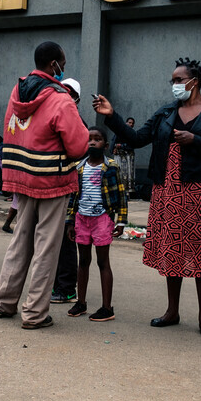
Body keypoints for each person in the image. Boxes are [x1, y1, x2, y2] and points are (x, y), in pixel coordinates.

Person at [94, 57, 201, 337]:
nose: (174, 85)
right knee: (173, 251)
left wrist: (198, 141)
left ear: (194, 82)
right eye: (172, 80)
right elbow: (136, 138)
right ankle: (172, 310)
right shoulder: (166, 112)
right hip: (167, 191)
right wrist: (111, 116)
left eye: (178, 80)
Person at [0, 42, 89, 329]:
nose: (65, 67)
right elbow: (78, 144)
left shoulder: (17, 90)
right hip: (52, 179)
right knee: (46, 248)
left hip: (21, 176)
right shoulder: (60, 98)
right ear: (54, 64)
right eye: (64, 62)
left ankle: (2, 303)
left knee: (20, 241)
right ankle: (34, 313)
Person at [65, 127, 127, 322]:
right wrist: (70, 221)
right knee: (83, 261)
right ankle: (81, 302)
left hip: (102, 219)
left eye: (97, 139)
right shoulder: (79, 167)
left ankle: (107, 307)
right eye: (89, 139)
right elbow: (73, 196)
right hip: (82, 220)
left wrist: (121, 220)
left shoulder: (111, 167)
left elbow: (122, 194)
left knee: (102, 262)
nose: (92, 143)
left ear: (105, 145)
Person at [52, 77, 87, 304]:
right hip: (54, 189)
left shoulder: (77, 124)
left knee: (65, 241)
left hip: (70, 192)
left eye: (69, 92)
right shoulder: (55, 119)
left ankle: (67, 288)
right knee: (52, 242)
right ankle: (56, 285)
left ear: (77, 99)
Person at [112, 117, 136, 199]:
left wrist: (121, 146)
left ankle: (127, 194)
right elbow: (113, 142)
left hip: (128, 157)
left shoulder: (132, 133)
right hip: (119, 157)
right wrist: (114, 148)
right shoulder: (119, 132)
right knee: (119, 174)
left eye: (132, 123)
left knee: (128, 174)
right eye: (129, 122)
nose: (131, 124)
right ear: (126, 123)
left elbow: (132, 144)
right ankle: (119, 192)